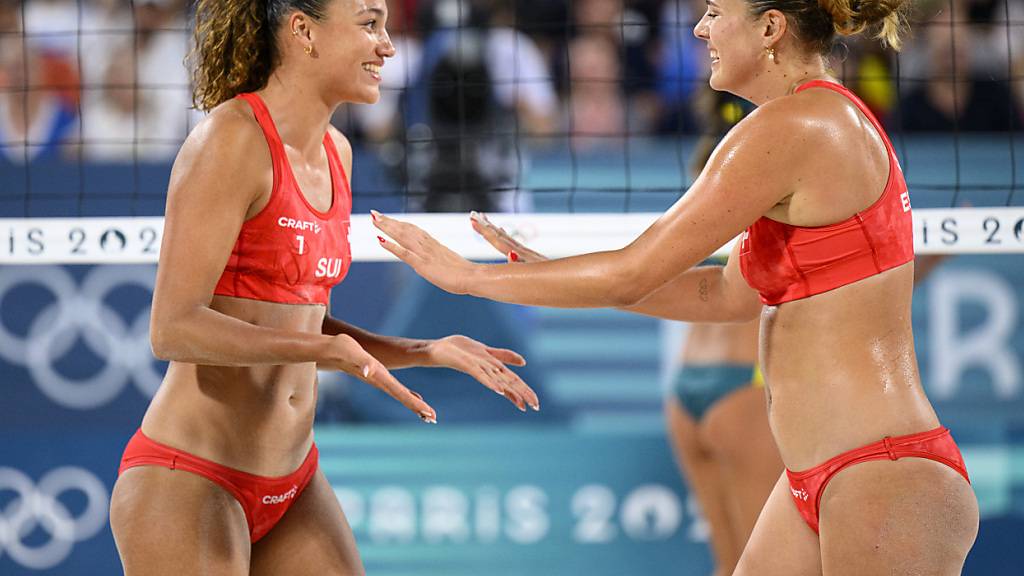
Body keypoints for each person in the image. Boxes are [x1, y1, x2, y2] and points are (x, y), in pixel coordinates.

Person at [370, 0, 980, 573]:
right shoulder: (808, 120)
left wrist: (468, 278)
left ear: (770, 28)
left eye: (715, 12)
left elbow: (634, 269)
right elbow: (723, 295)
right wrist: (535, 270)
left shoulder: (801, 122)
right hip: (813, 474)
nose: (699, 29)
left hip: (882, 469)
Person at [108, 1, 539, 574]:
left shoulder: (338, 152)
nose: (388, 46)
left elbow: (307, 325)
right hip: (191, 474)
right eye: (369, 25)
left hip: (293, 478)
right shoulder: (230, 140)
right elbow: (173, 328)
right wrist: (320, 350)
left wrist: (427, 350)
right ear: (304, 31)